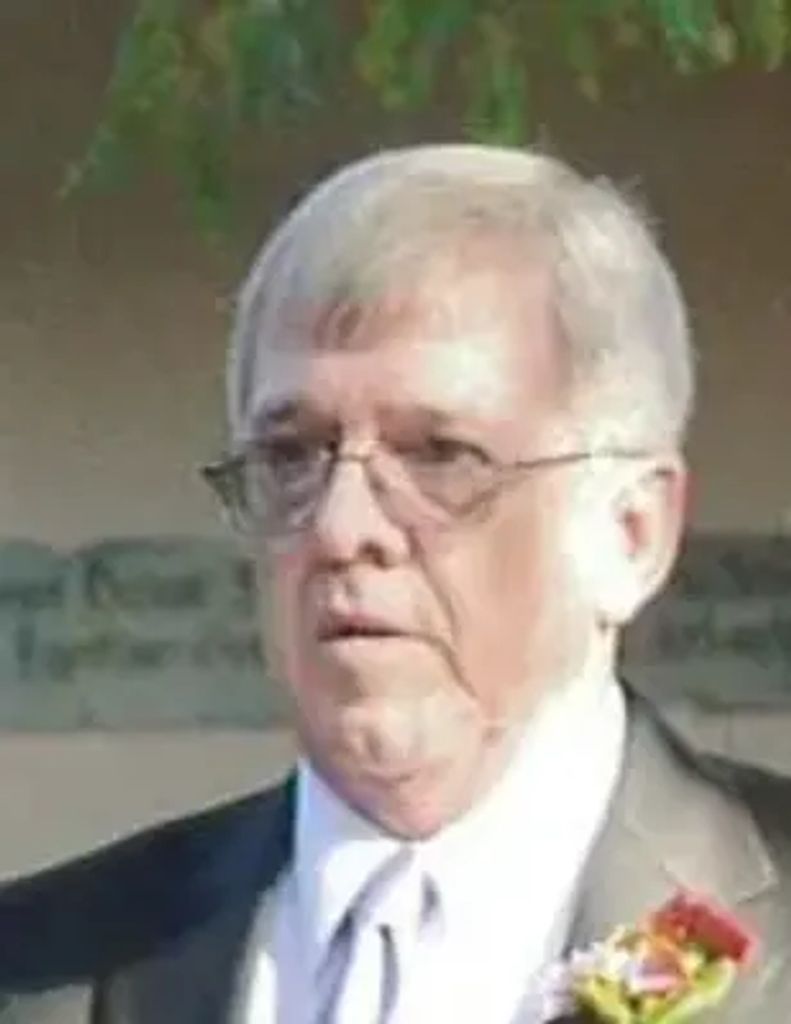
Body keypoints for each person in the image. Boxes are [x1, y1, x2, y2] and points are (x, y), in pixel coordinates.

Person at [1, 144, 790, 1023]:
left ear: (629, 533)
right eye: (291, 456)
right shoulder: (40, 971)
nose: (341, 528)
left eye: (441, 455)